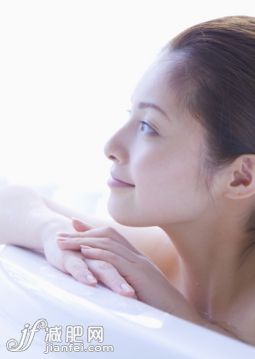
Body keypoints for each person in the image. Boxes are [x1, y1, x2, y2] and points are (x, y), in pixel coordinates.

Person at [2, 15, 255, 345]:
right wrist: (52, 233)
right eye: (130, 116)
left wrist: (172, 309)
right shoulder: (155, 258)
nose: (110, 147)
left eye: (149, 127)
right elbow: (10, 202)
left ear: (240, 178)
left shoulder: (152, 270)